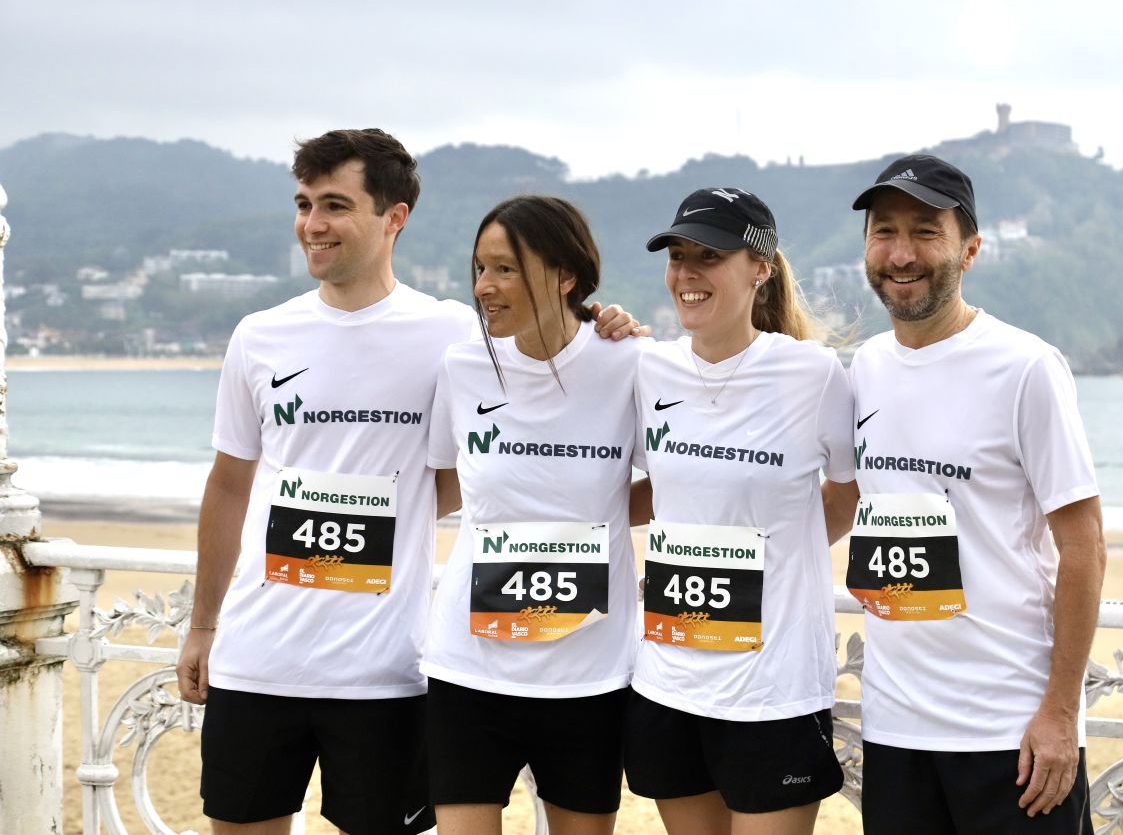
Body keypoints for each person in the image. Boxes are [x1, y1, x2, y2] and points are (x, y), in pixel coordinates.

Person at [174, 129, 639, 835]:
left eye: (335, 205)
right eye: (303, 204)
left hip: (388, 671)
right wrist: (203, 625)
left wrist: (604, 322)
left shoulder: (457, 336)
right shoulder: (259, 335)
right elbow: (230, 485)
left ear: (395, 217)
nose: (313, 224)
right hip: (255, 659)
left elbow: (500, 437)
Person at [822, 154, 1106, 833]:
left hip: (1011, 730)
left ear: (970, 250)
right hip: (895, 726)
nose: (901, 254)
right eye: (884, 232)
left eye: (926, 232)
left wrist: (1061, 712)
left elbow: (1085, 547)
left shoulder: (1026, 367)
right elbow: (843, 502)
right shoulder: (867, 367)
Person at [624, 187, 855, 835]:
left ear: (760, 268)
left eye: (710, 256)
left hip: (773, 690)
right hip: (667, 682)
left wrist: (783, 554)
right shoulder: (647, 369)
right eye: (678, 256)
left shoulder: (812, 374)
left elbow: (848, 493)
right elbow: (648, 490)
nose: (687, 272)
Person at [421, 196, 641, 835]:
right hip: (468, 666)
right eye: (479, 268)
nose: (484, 287)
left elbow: (680, 481)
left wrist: (601, 510)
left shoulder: (629, 364)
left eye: (505, 269)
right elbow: (443, 486)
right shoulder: (462, 367)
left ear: (565, 275)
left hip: (589, 674)